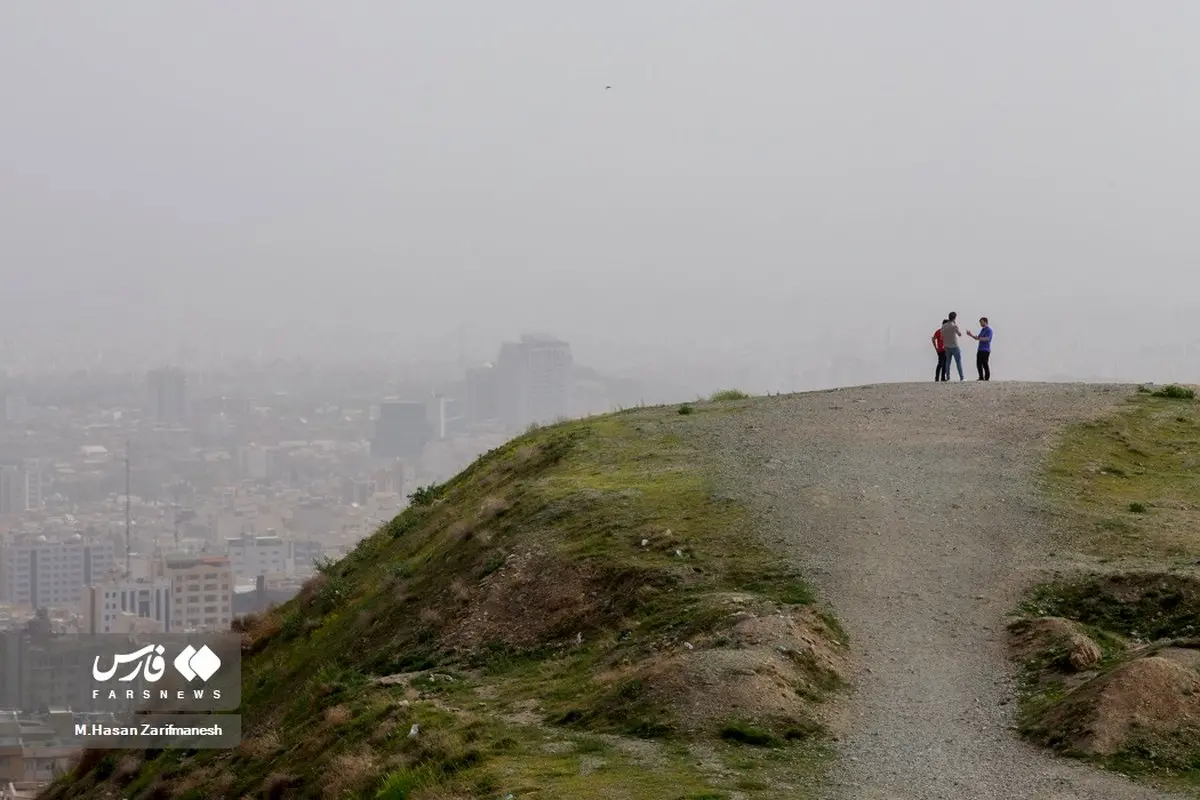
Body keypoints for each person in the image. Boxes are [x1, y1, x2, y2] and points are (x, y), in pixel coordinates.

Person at [941, 312, 964, 381]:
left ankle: (948, 377)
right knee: (958, 362)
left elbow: (941, 337)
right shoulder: (954, 326)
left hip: (946, 346)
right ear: (954, 318)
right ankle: (962, 377)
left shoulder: (944, 326)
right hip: (954, 346)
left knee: (948, 362)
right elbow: (959, 334)